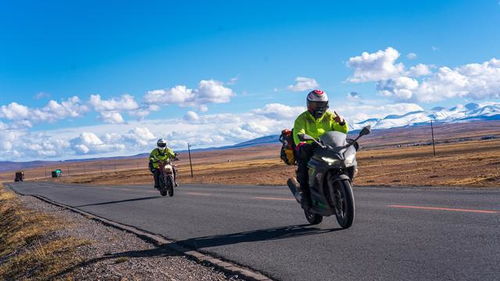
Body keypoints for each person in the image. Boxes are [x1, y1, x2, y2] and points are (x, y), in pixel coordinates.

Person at [293, 89, 348, 210]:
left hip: (328, 147)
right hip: (309, 149)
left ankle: (343, 186)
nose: (319, 108)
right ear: (309, 104)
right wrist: (302, 144)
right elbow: (298, 134)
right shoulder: (302, 119)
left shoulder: (330, 116)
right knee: (304, 172)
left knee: (344, 161)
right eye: (316, 105)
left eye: (322, 105)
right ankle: (306, 199)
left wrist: (342, 123)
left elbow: (342, 133)